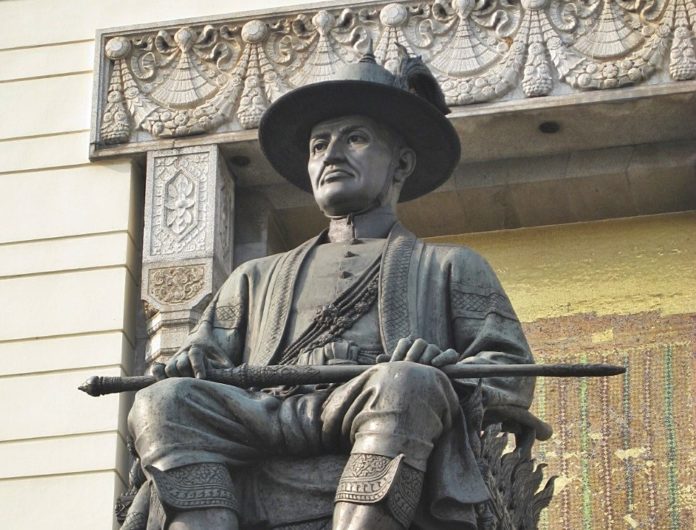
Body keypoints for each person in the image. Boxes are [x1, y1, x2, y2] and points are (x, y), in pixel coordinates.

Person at [126, 49, 536, 530]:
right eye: (319, 145)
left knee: (408, 383)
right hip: (265, 412)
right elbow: (206, 357)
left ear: (401, 163)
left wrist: (446, 372)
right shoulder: (254, 276)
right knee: (163, 402)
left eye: (355, 138)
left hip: (371, 404)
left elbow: (509, 371)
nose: (332, 155)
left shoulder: (451, 265)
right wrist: (192, 364)